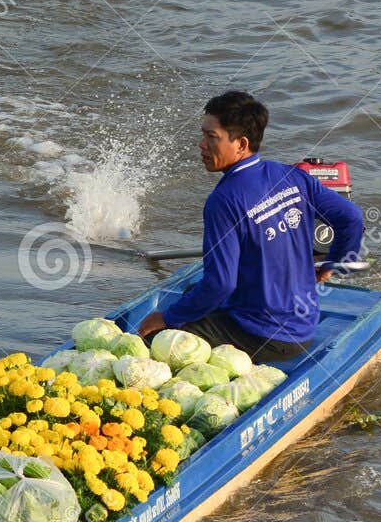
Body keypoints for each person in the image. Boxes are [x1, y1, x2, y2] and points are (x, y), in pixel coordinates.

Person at [138, 90, 365, 362]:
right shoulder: (292, 175)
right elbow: (352, 218)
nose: (201, 145)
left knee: (156, 337)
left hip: (265, 338)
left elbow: (220, 284)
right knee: (192, 294)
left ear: (241, 143)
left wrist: (166, 317)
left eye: (212, 137)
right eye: (203, 135)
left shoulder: (223, 201)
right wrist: (330, 266)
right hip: (304, 324)